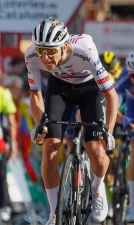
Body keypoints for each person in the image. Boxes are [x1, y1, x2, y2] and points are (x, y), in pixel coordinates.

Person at [26, 18, 119, 224]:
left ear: (65, 46)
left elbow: (111, 95)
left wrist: (108, 132)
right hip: (60, 88)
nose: (45, 57)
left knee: (96, 149)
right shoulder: (32, 55)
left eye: (51, 51)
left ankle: (97, 187)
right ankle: (54, 212)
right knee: (50, 147)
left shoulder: (84, 50)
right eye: (41, 50)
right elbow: (35, 95)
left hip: (91, 89)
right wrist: (39, 124)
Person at [115, 49, 134, 222]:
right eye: (133, 76)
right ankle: (133, 205)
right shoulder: (124, 79)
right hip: (131, 111)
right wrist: (125, 120)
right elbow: (113, 103)